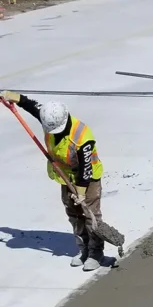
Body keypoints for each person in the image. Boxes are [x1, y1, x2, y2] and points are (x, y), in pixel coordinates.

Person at [1, 91, 106, 271]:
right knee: (73, 213)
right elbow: (33, 107)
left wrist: (81, 192)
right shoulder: (50, 118)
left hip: (87, 178)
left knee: (90, 215)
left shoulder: (82, 136)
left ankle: (96, 252)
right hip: (65, 176)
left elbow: (86, 168)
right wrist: (16, 97)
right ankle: (83, 248)